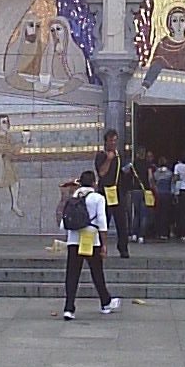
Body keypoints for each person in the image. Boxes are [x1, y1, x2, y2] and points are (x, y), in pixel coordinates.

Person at [61, 170, 122, 320]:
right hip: (91, 239)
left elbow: (64, 222)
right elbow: (102, 223)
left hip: (74, 239)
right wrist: (104, 244)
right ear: (94, 183)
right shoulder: (98, 198)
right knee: (97, 272)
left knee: (72, 274)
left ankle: (69, 308)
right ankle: (105, 302)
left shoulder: (74, 196)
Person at [94, 129, 129, 257]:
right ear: (106, 142)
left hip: (118, 192)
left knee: (121, 222)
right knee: (104, 221)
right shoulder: (101, 155)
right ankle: (100, 246)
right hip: (105, 192)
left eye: (115, 141)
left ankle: (123, 247)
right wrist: (108, 160)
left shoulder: (120, 156)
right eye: (111, 141)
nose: (113, 143)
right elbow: (101, 173)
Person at [129, 148, 154, 244]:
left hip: (135, 190)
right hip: (145, 190)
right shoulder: (148, 164)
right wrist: (152, 187)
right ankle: (141, 236)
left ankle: (134, 234)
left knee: (136, 213)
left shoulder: (133, 164)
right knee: (144, 215)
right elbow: (150, 177)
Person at [152, 157, 174, 240]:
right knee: (165, 214)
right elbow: (172, 184)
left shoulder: (156, 173)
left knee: (157, 213)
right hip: (167, 194)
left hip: (158, 195)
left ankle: (157, 232)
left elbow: (153, 182)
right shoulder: (169, 173)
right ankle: (164, 233)